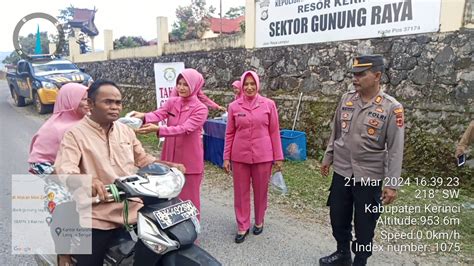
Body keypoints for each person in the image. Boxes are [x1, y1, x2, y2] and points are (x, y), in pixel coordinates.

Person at [54, 79, 184, 265]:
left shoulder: (125, 131)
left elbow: (143, 159)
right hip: (97, 213)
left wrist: (167, 165)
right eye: (108, 102)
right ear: (90, 104)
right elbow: (65, 169)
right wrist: (86, 181)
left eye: (118, 102)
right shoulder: (74, 134)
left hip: (134, 208)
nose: (115, 107)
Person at [319, 55, 404, 266]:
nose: (355, 79)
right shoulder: (347, 99)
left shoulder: (392, 108)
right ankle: (342, 253)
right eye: (353, 74)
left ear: (376, 76)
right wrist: (328, 157)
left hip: (369, 176)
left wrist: (392, 184)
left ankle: (361, 260)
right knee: (338, 216)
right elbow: (336, 132)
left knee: (365, 224)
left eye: (360, 74)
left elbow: (395, 149)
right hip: (342, 171)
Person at [132, 68, 209, 217]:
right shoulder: (172, 102)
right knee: (169, 197)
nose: (181, 88)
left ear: (195, 86)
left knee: (189, 200)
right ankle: (173, 234)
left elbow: (185, 128)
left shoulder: (201, 108)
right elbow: (159, 113)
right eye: (179, 84)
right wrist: (144, 116)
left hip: (190, 160)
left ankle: (191, 235)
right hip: (170, 157)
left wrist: (159, 130)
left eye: (185, 84)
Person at [28, 83, 89, 266]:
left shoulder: (90, 123)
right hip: (62, 186)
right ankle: (63, 256)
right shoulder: (52, 128)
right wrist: (60, 174)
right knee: (67, 217)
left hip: (89, 181)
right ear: (70, 101)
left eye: (90, 99)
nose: (89, 103)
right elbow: (37, 163)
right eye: (84, 99)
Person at [223, 70, 284, 243]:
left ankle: (259, 220)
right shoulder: (234, 106)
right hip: (239, 156)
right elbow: (229, 133)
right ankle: (242, 225)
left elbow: (274, 131)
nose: (249, 87)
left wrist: (278, 157)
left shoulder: (268, 104)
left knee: (260, 191)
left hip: (263, 156)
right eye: (246, 84)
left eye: (252, 84)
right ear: (241, 86)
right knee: (240, 192)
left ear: (258, 84)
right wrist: (226, 157)